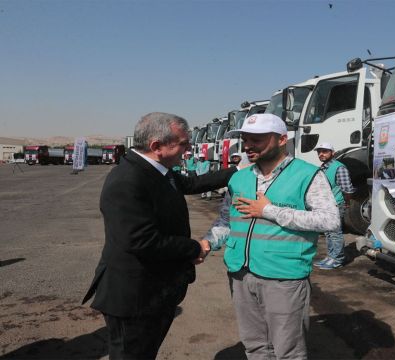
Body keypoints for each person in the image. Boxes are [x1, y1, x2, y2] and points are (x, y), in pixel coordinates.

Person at [82, 112, 237, 359]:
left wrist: (237, 171)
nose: (188, 150)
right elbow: (141, 240)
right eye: (183, 144)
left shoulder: (157, 170)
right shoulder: (128, 180)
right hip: (134, 297)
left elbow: (191, 184)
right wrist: (195, 248)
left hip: (154, 293)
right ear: (157, 146)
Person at [203, 113, 340, 360]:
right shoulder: (239, 177)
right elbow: (226, 219)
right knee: (255, 346)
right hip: (241, 273)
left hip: (283, 276)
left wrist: (270, 211)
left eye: (257, 139)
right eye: (245, 138)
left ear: (281, 140)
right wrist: (207, 242)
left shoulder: (307, 174)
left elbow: (329, 220)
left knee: (288, 351)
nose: (248, 145)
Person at [312, 142, 355, 270]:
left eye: (324, 151)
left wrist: (346, 203)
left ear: (332, 153)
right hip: (326, 205)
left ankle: (338, 259)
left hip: (336, 204)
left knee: (335, 232)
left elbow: (347, 189)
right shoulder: (324, 167)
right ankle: (331, 256)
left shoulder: (339, 168)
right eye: (319, 151)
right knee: (328, 232)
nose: (321, 154)